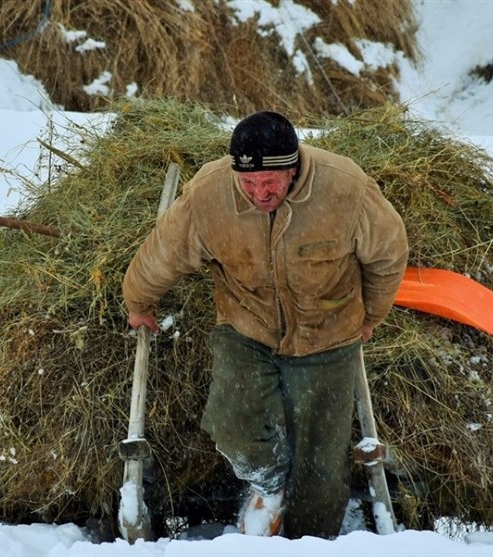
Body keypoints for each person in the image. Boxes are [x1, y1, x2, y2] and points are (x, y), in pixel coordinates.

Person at [122, 111, 408, 539]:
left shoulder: (346, 189)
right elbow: (164, 252)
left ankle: (311, 542)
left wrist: (372, 314)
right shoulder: (210, 195)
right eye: (248, 183)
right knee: (233, 423)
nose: (259, 192)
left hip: (327, 335)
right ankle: (270, 486)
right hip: (246, 326)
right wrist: (139, 301)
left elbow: (388, 254)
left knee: (320, 462)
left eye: (270, 181)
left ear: (294, 167)